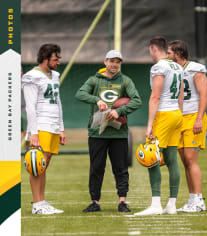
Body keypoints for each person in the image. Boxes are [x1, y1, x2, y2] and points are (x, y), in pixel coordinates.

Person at [75, 50, 142, 213]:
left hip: (119, 133)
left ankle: (122, 202)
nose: (114, 64)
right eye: (112, 61)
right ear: (105, 62)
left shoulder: (125, 81)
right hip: (97, 132)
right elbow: (80, 94)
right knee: (96, 168)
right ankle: (95, 202)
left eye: (118, 62)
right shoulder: (94, 80)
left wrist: (119, 111)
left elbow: (137, 100)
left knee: (121, 168)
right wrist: (96, 100)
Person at [134, 36, 184, 216]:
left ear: (154, 48)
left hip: (163, 114)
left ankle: (156, 205)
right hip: (176, 114)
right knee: (171, 160)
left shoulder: (159, 67)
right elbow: (181, 94)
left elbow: (155, 96)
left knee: (151, 158)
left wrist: (149, 124)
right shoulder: (177, 66)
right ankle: (172, 204)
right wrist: (180, 115)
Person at [22, 43, 66, 214]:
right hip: (41, 125)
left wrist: (61, 128)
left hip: (53, 124)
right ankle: (37, 204)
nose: (58, 62)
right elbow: (30, 107)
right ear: (45, 59)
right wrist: (33, 133)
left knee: (43, 165)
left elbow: (58, 102)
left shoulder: (54, 75)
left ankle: (42, 202)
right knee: (36, 165)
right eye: (55, 59)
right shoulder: (32, 76)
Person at [167, 40, 207, 212]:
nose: (167, 56)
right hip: (179, 119)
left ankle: (199, 199)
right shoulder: (172, 70)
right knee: (185, 162)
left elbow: (204, 94)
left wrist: (199, 118)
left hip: (193, 118)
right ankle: (192, 200)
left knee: (191, 160)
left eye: (169, 53)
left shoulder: (195, 68)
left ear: (178, 53)